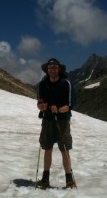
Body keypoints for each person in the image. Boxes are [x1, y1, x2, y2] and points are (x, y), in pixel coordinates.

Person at [36, 58, 76, 189]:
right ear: (47, 70)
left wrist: (58, 109)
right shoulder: (43, 83)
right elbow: (40, 101)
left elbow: (70, 105)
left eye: (54, 67)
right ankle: (45, 178)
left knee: (64, 149)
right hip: (47, 119)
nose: (52, 69)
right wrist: (41, 106)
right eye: (49, 67)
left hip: (62, 120)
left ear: (59, 69)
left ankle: (69, 179)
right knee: (47, 148)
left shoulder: (66, 83)